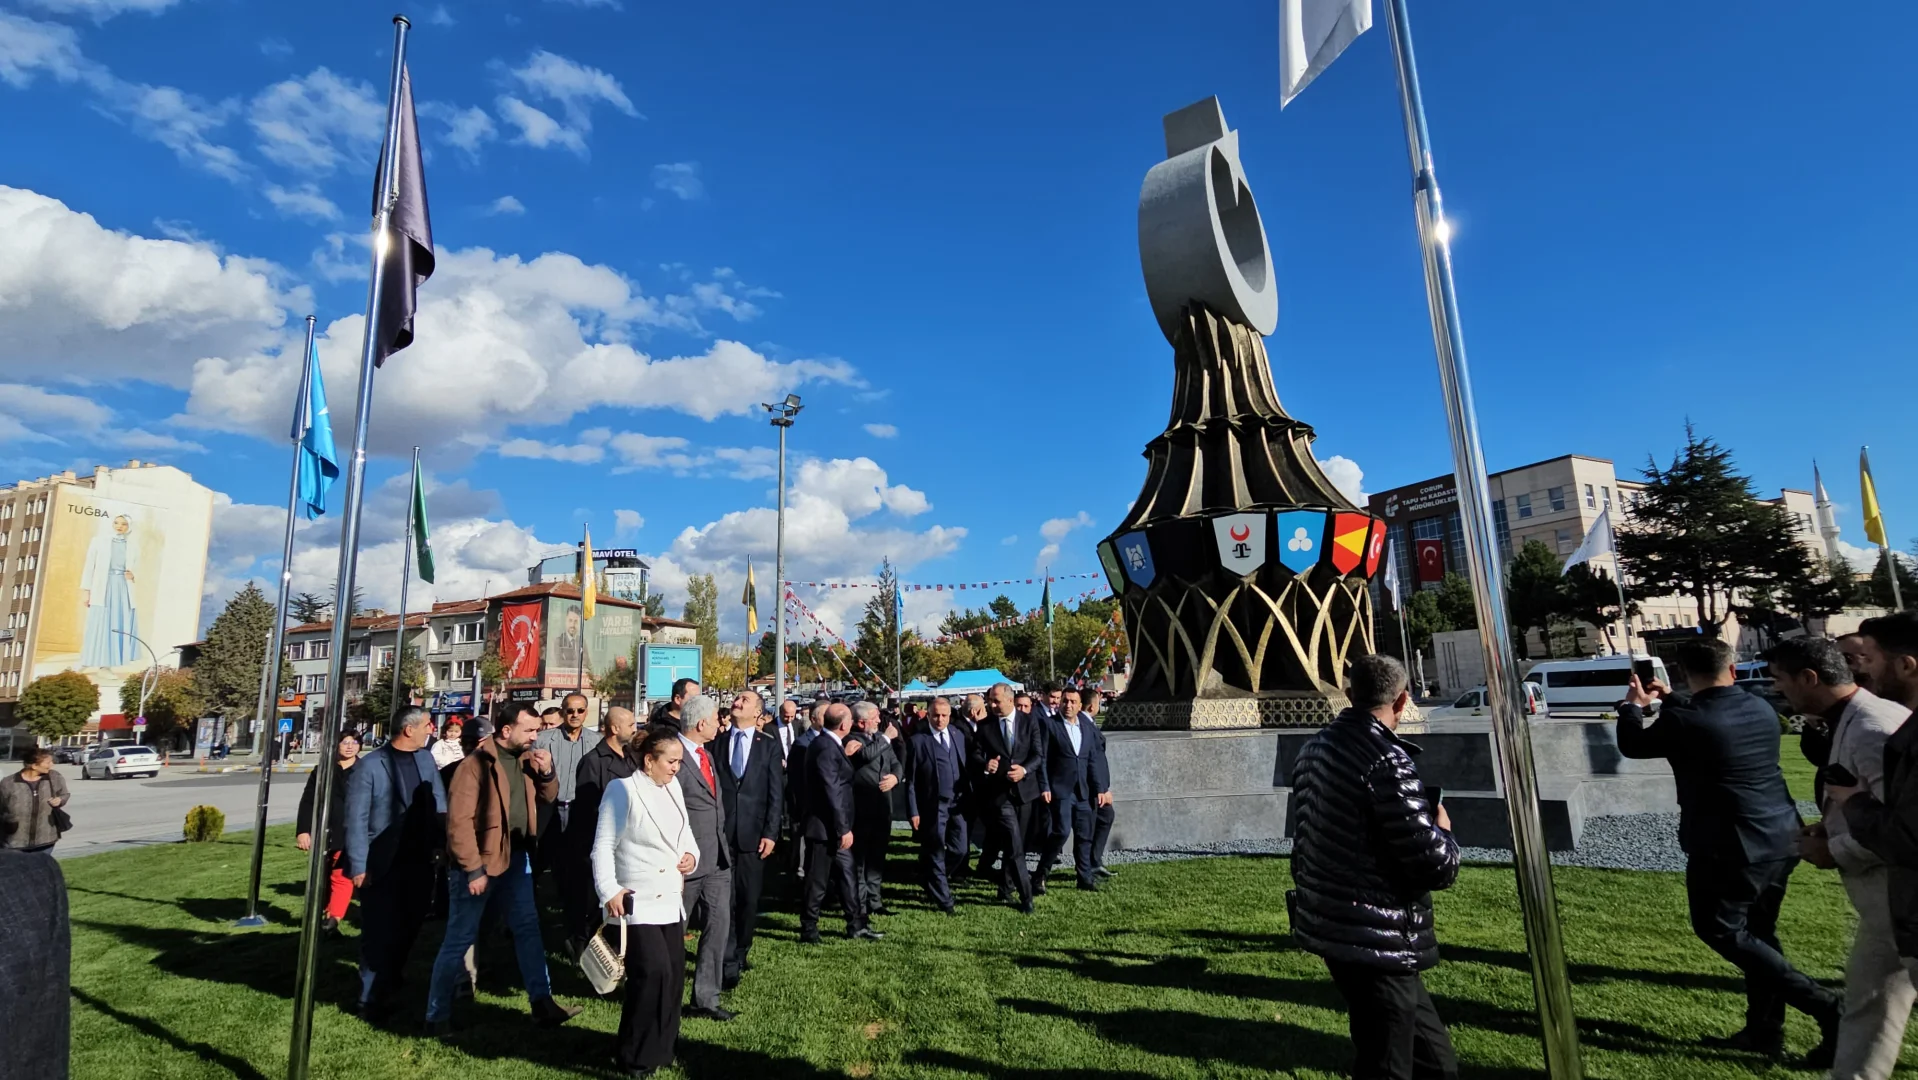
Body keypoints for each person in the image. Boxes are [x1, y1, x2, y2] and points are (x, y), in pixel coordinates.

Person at [1618, 637, 1840, 1064]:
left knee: (1720, 929)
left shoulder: (1685, 720)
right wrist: (1673, 699)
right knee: (1759, 936)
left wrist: (1633, 705)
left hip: (1726, 844)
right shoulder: (1759, 707)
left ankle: (1826, 1007)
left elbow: (1634, 743)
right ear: (1733, 669)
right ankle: (1764, 1030)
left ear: (1682, 673)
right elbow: (1712, 712)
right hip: (1780, 836)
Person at [1290, 654, 1460, 1080]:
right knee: (1388, 1064)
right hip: (1376, 935)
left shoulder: (1315, 748)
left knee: (1433, 1060)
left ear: (1348, 694)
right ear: (1402, 701)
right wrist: (1445, 833)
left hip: (1338, 926)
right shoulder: (1388, 761)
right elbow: (1435, 865)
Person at [1765, 636, 1911, 1079]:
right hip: (1885, 904)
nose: (1778, 691)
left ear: (1809, 678)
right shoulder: (1854, 717)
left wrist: (1835, 849)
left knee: (1872, 997)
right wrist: (1829, 827)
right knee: (1869, 998)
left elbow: (1903, 826)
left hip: (1901, 893)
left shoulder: (1872, 727)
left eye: (1780, 681)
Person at [425, 703, 580, 1034]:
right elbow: (459, 822)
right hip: (481, 862)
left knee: (528, 930)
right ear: (506, 730)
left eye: (537, 730)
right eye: (529, 730)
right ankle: (436, 1015)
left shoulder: (526, 759)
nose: (535, 737)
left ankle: (542, 1003)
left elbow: (548, 796)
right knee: (460, 936)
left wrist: (547, 772)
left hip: (517, 858)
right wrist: (472, 869)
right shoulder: (476, 764)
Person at [593, 725, 700, 1079]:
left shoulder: (674, 789)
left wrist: (691, 857)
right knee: (651, 973)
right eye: (671, 761)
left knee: (672, 979)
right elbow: (603, 846)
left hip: (670, 898)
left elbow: (687, 836)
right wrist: (609, 889)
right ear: (649, 760)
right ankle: (633, 1055)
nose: (676, 768)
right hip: (635, 901)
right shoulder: (622, 790)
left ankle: (661, 1048)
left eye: (680, 762)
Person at [1833, 614, 1918, 1053]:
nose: (1862, 670)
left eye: (1869, 658)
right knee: (1869, 1004)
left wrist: (1853, 803)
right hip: (1900, 912)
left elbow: (1908, 838)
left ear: (1906, 665)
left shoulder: (1883, 727)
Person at [343, 706, 447, 1022]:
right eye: (427, 725)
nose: (432, 729)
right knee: (378, 931)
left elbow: (438, 803)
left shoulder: (426, 759)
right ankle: (369, 998)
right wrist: (359, 865)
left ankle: (391, 978)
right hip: (381, 862)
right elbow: (356, 818)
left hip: (419, 860)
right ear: (408, 729)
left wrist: (441, 843)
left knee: (410, 924)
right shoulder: (371, 766)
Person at [715, 691, 782, 990]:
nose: (737, 702)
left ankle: (742, 950)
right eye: (736, 699)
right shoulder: (716, 743)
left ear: (757, 713)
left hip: (754, 836)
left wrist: (771, 833)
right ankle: (727, 958)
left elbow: (775, 794)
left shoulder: (767, 745)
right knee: (722, 901)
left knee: (748, 898)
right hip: (721, 834)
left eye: (744, 700)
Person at [673, 695, 735, 1021]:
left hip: (718, 859)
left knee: (717, 926)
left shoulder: (707, 755)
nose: (719, 724)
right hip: (686, 861)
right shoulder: (673, 756)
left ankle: (705, 999)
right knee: (672, 929)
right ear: (701, 724)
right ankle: (663, 994)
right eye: (715, 719)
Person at [800, 703, 881, 943]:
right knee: (817, 881)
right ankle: (809, 928)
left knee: (848, 876)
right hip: (825, 829)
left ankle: (856, 923)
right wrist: (843, 828)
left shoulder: (830, 745)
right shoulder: (825, 747)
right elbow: (831, 789)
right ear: (845, 724)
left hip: (835, 826)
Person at [537, 692, 603, 955]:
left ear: (586, 712)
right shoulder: (544, 739)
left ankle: (578, 928)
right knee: (554, 868)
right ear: (563, 712)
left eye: (580, 710)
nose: (575, 715)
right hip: (551, 810)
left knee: (580, 871)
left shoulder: (596, 742)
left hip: (582, 812)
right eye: (570, 710)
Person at [970, 682, 1043, 913]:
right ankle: (1026, 897)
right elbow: (975, 754)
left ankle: (1005, 886)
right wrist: (986, 764)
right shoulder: (984, 726)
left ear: (1010, 701)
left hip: (1025, 792)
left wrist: (1024, 770)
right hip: (1000, 796)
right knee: (1014, 844)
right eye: (990, 700)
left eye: (996, 701)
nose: (992, 705)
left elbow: (1038, 755)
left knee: (1017, 844)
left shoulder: (1029, 721)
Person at [574, 706, 642, 944]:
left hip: (629, 843)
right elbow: (586, 809)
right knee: (594, 905)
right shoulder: (593, 762)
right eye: (631, 724)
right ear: (615, 728)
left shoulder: (631, 757)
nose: (635, 729)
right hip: (602, 842)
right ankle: (583, 947)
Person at [1035, 686, 1106, 893]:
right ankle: (1041, 874)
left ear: (1080, 705)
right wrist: (1045, 786)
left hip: (1083, 791)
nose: (1068, 705)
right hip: (1061, 790)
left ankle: (1084, 877)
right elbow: (1043, 759)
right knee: (1061, 831)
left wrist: (1099, 788)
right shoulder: (1049, 725)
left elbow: (1092, 759)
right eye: (1065, 701)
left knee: (1085, 835)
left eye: (1073, 702)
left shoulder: (1085, 726)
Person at [906, 695, 968, 914]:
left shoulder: (957, 735)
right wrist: (913, 811)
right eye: (935, 716)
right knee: (935, 851)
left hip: (957, 803)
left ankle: (932, 877)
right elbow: (911, 781)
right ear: (928, 715)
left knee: (960, 849)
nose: (940, 720)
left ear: (950, 716)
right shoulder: (918, 741)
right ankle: (945, 900)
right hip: (932, 805)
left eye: (944, 716)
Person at [296, 731, 361, 933]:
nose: (349, 746)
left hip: (351, 830)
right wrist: (303, 831)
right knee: (321, 876)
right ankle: (321, 913)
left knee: (341, 875)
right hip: (325, 830)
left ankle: (333, 919)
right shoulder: (323, 771)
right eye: (344, 742)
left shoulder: (366, 770)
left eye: (354, 742)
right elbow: (308, 801)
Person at [846, 701, 902, 918]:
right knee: (860, 858)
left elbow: (895, 762)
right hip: (862, 808)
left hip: (883, 806)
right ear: (861, 722)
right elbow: (865, 756)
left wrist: (895, 777)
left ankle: (875, 900)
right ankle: (860, 904)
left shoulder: (879, 739)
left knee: (877, 856)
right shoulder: (851, 740)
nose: (879, 721)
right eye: (875, 717)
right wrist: (887, 738)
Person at [0, 748, 70, 854]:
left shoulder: (54, 777)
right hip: (14, 841)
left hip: (46, 838)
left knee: (40, 870)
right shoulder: (8, 783)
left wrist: (60, 800)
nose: (52, 765)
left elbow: (64, 794)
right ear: (34, 765)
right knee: (16, 870)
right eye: (48, 762)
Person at [1083, 687, 1116, 879]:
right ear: (1092, 706)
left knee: (1104, 817)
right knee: (1100, 818)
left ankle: (1093, 861)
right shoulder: (1085, 726)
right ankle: (1090, 863)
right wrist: (1101, 789)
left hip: (1096, 785)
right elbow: (1092, 760)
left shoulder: (1088, 724)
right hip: (1092, 787)